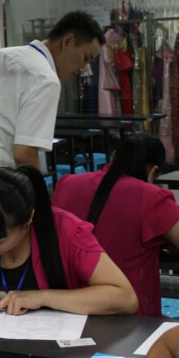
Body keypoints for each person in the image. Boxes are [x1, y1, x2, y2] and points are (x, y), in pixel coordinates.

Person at [0, 165, 138, 319]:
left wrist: (43, 296)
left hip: (55, 356)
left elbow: (124, 297)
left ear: (29, 219)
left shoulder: (67, 231)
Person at [0, 11, 105, 213]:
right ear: (68, 41)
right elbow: (24, 154)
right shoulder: (45, 79)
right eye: (85, 58)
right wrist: (42, 204)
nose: (83, 69)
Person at [52, 133, 179, 317]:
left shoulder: (67, 184)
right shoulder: (152, 198)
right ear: (153, 171)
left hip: (67, 309)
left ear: (113, 156)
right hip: (129, 317)